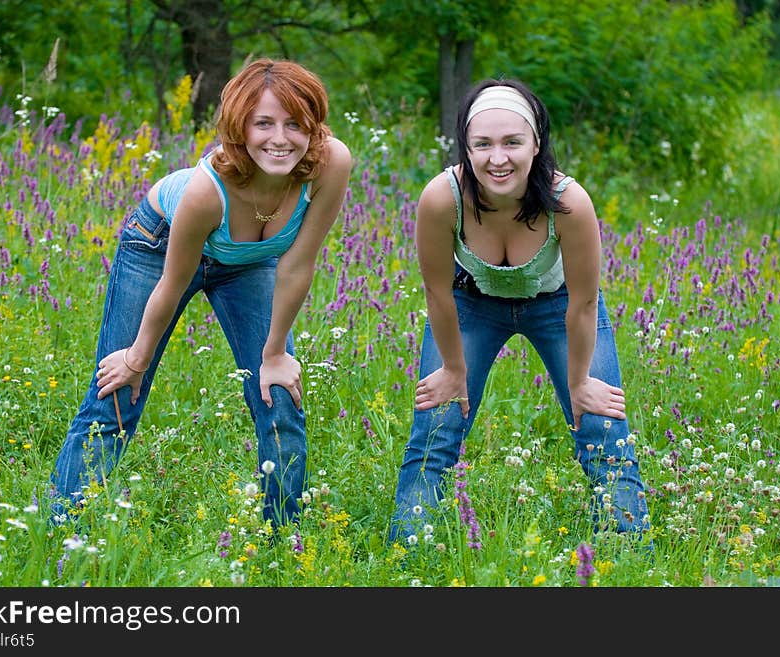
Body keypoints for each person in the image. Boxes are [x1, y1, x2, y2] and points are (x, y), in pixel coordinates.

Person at [48, 58, 352, 531]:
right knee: (117, 393)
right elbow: (171, 283)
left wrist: (274, 353)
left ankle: (285, 547)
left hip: (249, 261)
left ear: (314, 124)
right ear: (238, 127)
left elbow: (298, 262)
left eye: (296, 123)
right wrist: (137, 358)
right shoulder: (204, 191)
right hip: (158, 245)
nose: (280, 138)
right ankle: (58, 533)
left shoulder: (330, 164)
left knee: (280, 395)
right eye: (263, 123)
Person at [389, 79, 651, 546]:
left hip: (559, 305)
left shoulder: (568, 202)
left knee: (602, 427)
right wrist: (453, 370)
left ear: (536, 144)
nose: (498, 158)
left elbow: (584, 302)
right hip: (470, 303)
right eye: (482, 144)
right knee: (436, 429)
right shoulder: (442, 198)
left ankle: (628, 555)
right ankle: (406, 556)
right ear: (465, 149)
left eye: (512, 142)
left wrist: (578, 382)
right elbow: (437, 292)